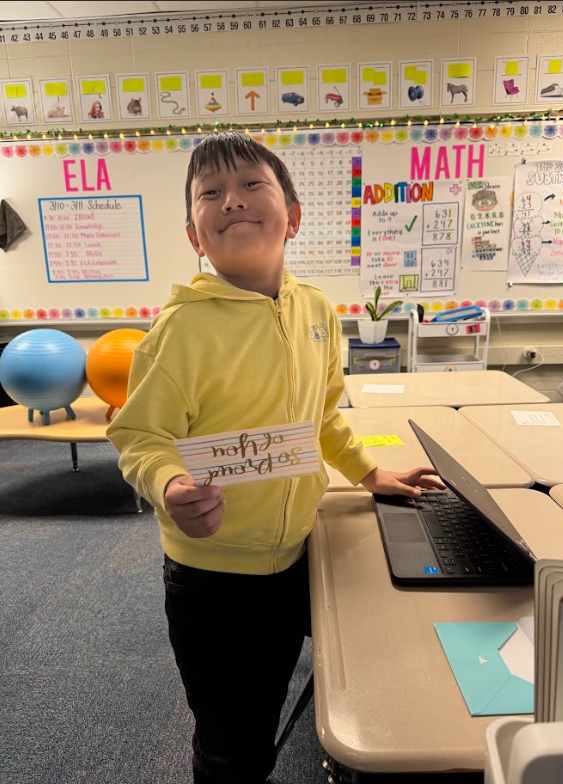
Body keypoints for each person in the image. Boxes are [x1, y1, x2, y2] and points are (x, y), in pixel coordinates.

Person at [107, 131, 443, 784]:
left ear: (291, 216)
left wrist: (370, 474)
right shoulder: (179, 331)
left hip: (294, 553)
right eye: (211, 193)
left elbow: (320, 417)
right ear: (193, 236)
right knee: (232, 739)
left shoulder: (316, 310)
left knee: (277, 691)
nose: (231, 200)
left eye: (251, 185)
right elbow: (140, 437)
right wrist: (171, 485)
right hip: (210, 576)